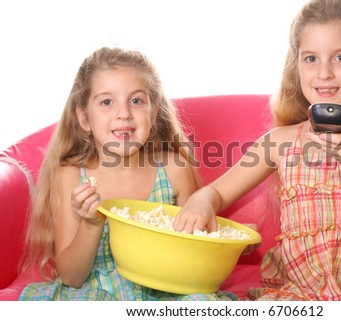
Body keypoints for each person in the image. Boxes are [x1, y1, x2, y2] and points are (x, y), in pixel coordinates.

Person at [173, 0, 341, 301]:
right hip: (299, 291)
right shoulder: (281, 141)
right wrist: (202, 199)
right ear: (296, 67)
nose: (324, 73)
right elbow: (216, 193)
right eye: (310, 59)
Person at [19, 47, 238, 301]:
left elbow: (195, 245)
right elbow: (71, 277)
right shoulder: (70, 175)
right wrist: (90, 224)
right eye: (106, 102)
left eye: (136, 100)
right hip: (96, 293)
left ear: (153, 112)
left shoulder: (174, 169)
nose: (123, 113)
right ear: (84, 118)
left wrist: (224, 242)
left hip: (166, 291)